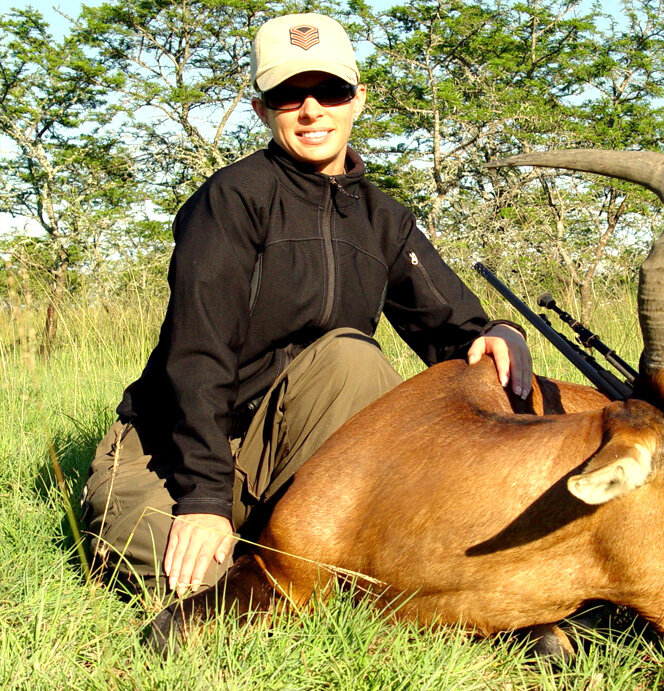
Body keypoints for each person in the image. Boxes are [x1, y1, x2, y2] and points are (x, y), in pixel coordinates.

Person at [83, 13, 531, 599]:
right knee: (216, 596)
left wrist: (502, 331)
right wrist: (204, 501)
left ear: (357, 99)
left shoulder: (384, 218)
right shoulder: (231, 200)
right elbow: (199, 357)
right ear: (261, 109)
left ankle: (312, 543)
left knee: (350, 358)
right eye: (288, 95)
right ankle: (270, 547)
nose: (311, 109)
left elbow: (456, 329)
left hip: (290, 452)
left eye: (330, 91)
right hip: (173, 456)